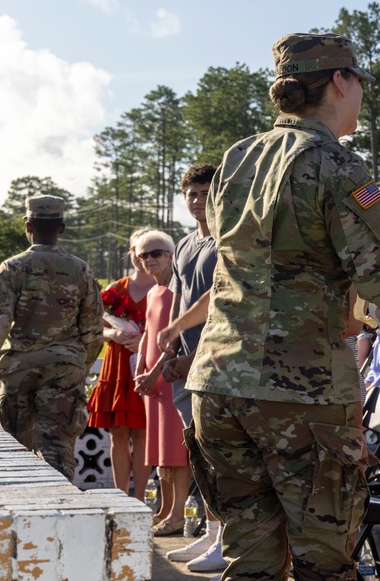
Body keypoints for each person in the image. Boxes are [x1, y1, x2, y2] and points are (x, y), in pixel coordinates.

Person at [183, 32, 380, 581]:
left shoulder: (237, 158)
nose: (361, 95)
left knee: (250, 560)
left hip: (219, 383)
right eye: (358, 83)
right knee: (324, 563)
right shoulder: (340, 168)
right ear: (340, 82)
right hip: (303, 394)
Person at [0, 195, 104, 480]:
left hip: (18, 369)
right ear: (62, 228)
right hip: (64, 369)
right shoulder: (80, 270)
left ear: (28, 226)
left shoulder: (12, 269)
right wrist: (78, 369)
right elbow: (93, 330)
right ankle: (63, 517)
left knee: (14, 453)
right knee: (57, 451)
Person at [154, 163, 227, 574]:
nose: (197, 200)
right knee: (198, 453)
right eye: (191, 194)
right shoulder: (183, 245)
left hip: (217, 364)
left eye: (204, 192)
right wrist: (173, 357)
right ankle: (211, 530)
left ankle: (226, 537)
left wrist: (192, 357)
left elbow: (222, 304)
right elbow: (182, 307)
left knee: (221, 456)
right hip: (186, 366)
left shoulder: (227, 239)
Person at [86, 227, 154, 499]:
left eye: (150, 252)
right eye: (138, 251)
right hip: (116, 365)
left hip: (146, 366)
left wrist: (145, 342)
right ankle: (120, 497)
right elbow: (95, 328)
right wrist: (112, 333)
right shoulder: (115, 288)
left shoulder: (165, 288)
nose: (143, 257)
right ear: (131, 253)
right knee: (117, 435)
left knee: (142, 435)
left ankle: (138, 500)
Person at [131, 229, 190, 537]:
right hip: (152, 383)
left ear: (170, 256)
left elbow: (174, 341)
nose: (149, 260)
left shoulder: (175, 294)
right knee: (160, 451)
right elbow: (147, 335)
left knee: (176, 452)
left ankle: (178, 512)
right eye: (144, 255)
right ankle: (166, 509)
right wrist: (141, 367)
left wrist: (154, 372)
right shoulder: (153, 292)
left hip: (169, 377)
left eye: (156, 253)